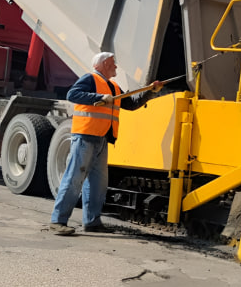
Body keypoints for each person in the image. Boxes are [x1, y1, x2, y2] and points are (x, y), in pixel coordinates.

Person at [48, 52, 163, 235]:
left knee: (98, 184)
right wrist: (98, 97)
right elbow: (73, 94)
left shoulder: (115, 87)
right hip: (85, 136)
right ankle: (58, 221)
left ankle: (92, 222)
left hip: (102, 139)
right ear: (102, 65)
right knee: (74, 179)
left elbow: (131, 104)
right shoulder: (90, 79)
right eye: (113, 64)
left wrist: (150, 91)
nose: (116, 67)